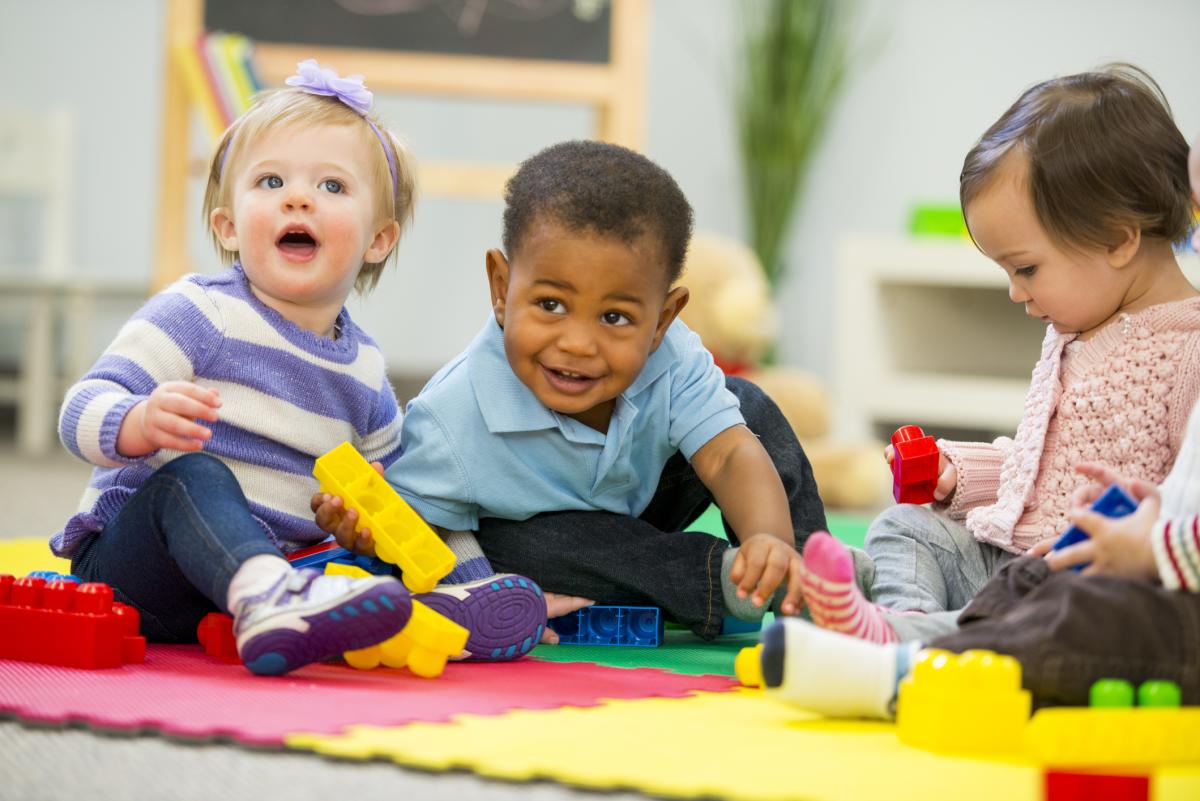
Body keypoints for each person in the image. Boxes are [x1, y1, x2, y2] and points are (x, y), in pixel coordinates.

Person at [319, 140, 828, 639]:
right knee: (528, 550)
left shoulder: (672, 357)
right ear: (502, 288)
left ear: (662, 321)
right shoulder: (454, 418)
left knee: (746, 407)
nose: (578, 344)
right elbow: (412, 533)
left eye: (615, 317)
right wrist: (362, 532)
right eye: (551, 305)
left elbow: (727, 458)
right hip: (572, 546)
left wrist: (769, 538)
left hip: (650, 496)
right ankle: (726, 581)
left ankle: (806, 574)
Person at [797, 64, 1200, 645]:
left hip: (1078, 581)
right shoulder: (1074, 332)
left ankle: (897, 631)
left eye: (1027, 268)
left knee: (1043, 610)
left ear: (1118, 239)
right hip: (1004, 557)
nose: (1016, 291)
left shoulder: (1185, 354)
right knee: (906, 526)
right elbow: (1037, 471)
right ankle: (897, 621)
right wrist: (956, 473)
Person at [56, 60, 425, 677]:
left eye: (332, 187)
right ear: (228, 228)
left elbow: (405, 493)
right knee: (194, 475)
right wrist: (137, 421)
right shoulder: (201, 312)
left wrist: (363, 526)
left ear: (377, 240)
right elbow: (78, 410)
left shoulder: (365, 372)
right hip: (136, 573)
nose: (299, 197)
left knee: (368, 560)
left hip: (251, 585)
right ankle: (269, 596)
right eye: (272, 181)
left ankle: (286, 603)